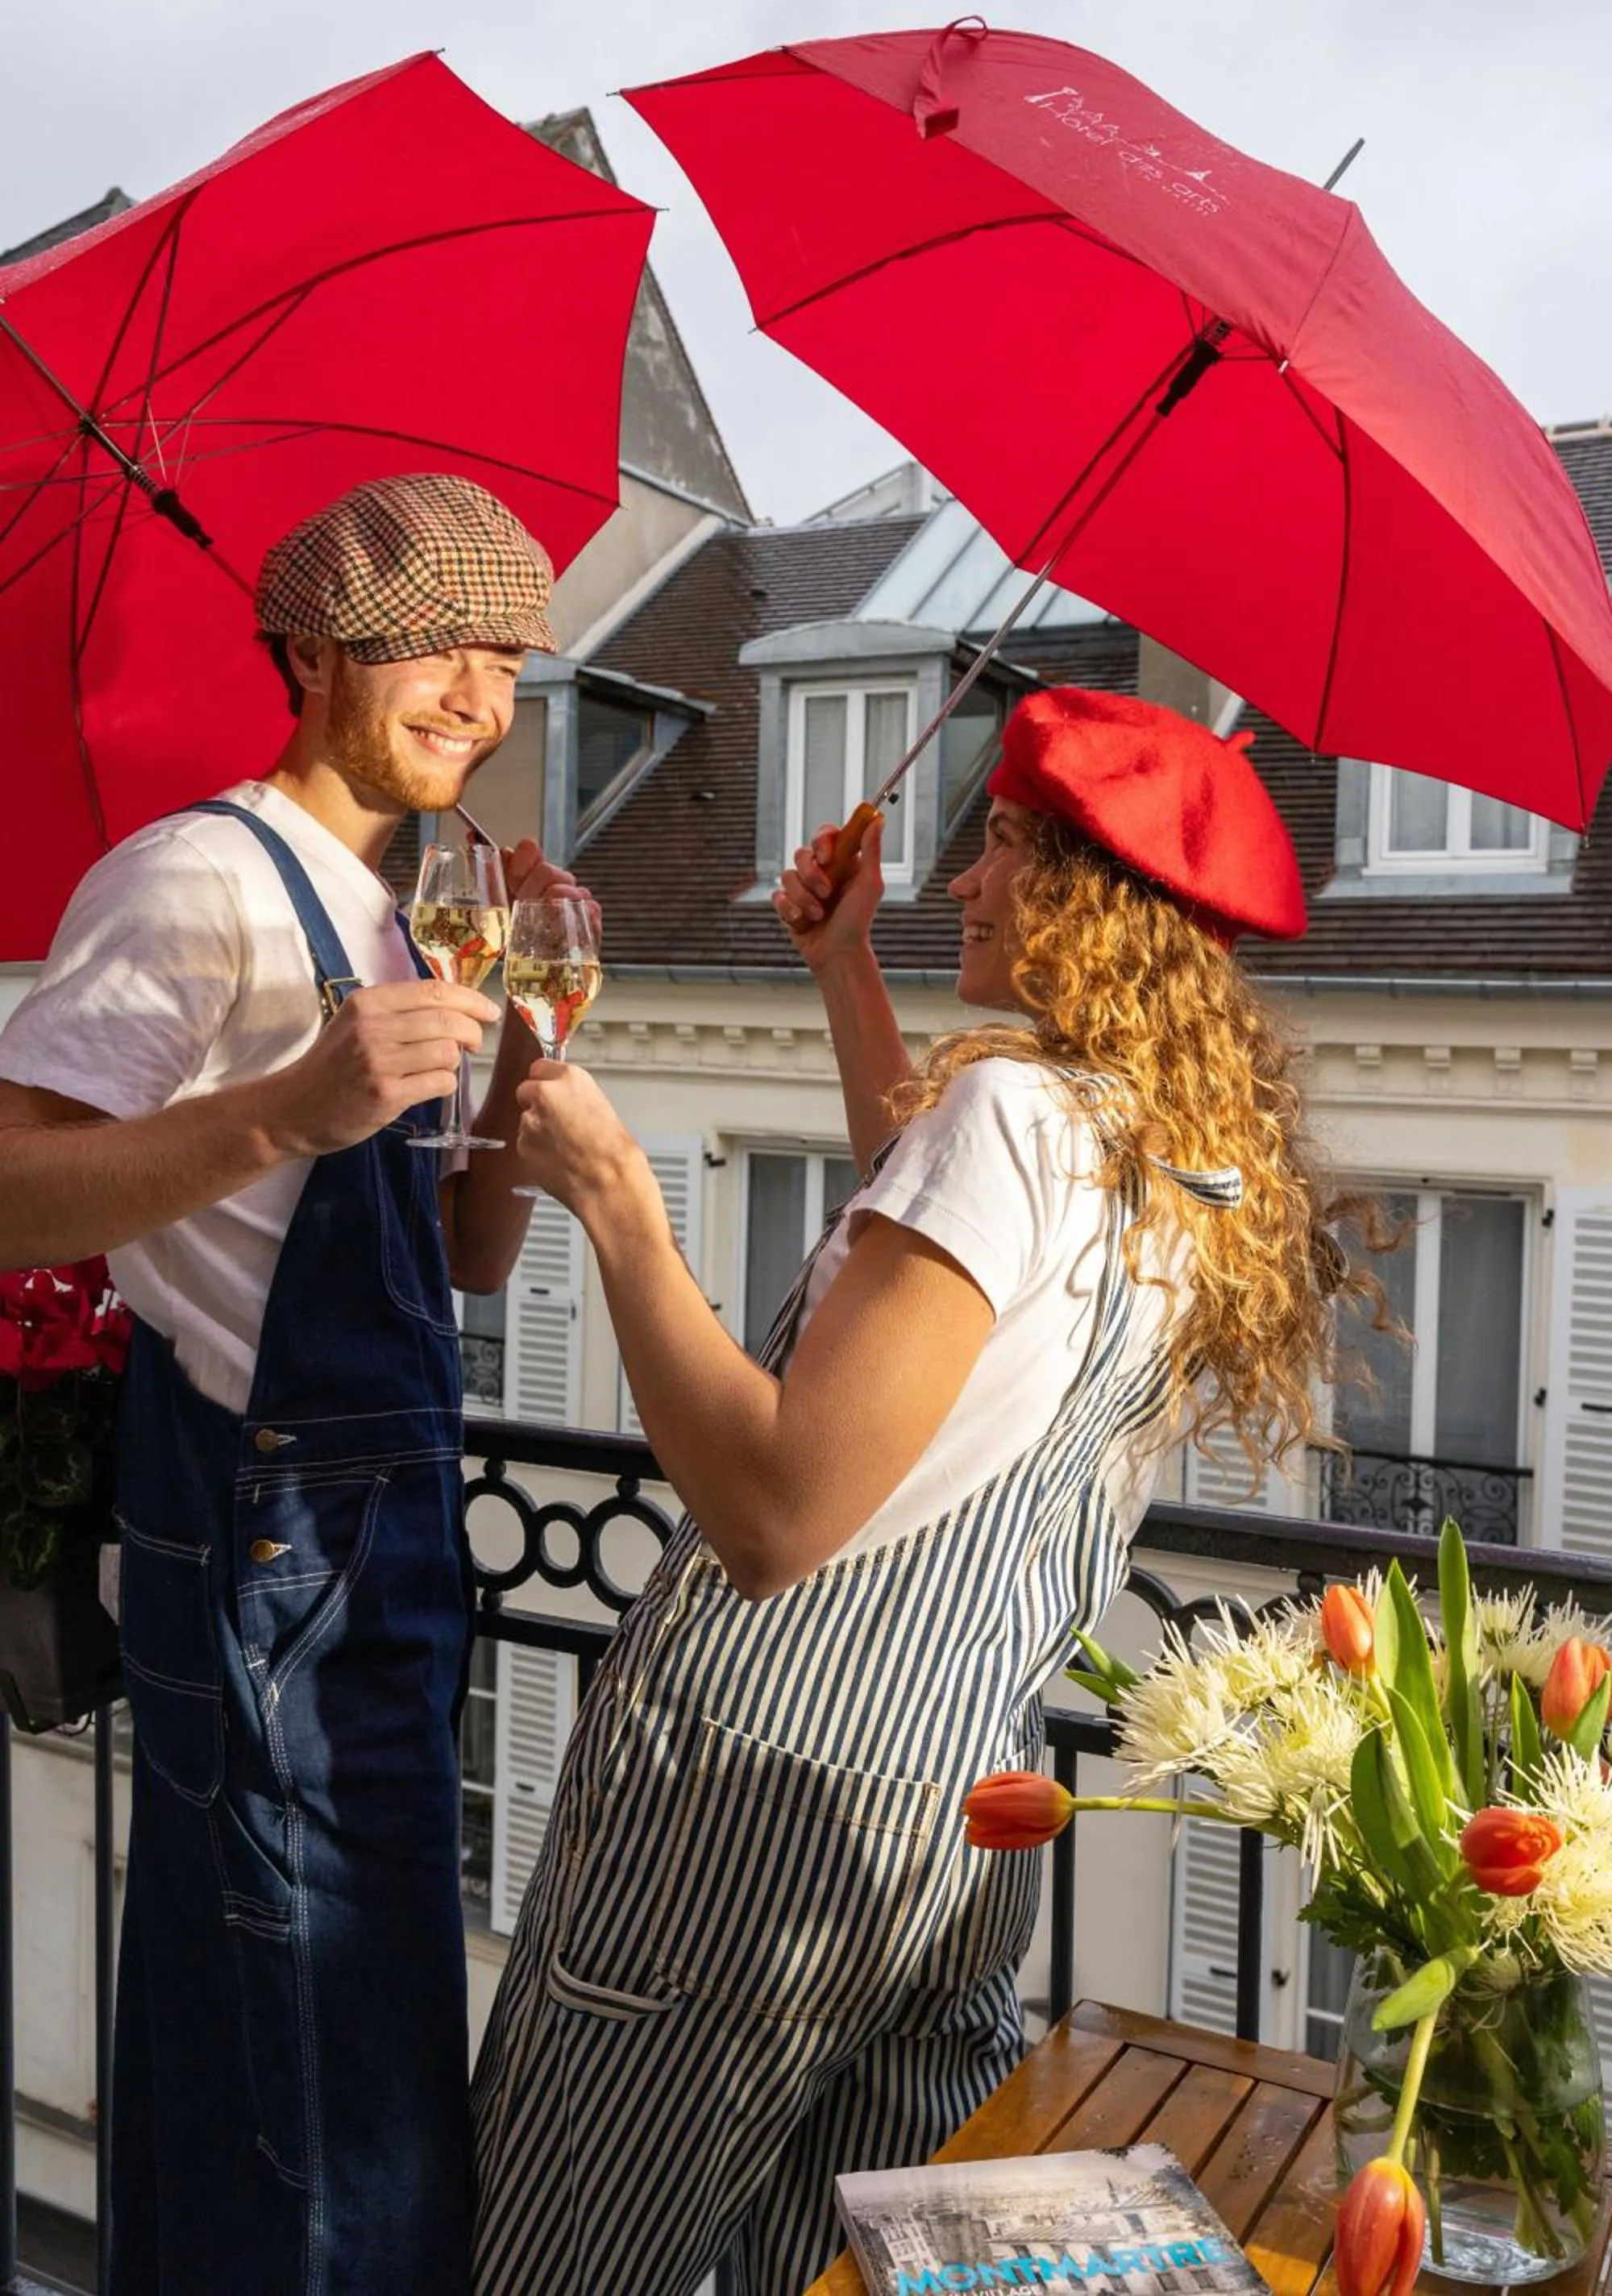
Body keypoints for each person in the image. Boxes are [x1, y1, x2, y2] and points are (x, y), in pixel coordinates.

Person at [470, 684, 1378, 2295]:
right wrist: (841, 965)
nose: (963, 881)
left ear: (1090, 902)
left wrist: (615, 1199)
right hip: (948, 1830)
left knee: (550, 2260)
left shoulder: (1013, 1114)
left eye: (1005, 848)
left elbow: (776, 1515)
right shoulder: (1162, 1151)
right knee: (815, 2272)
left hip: (744, 1820)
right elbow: (941, 1269)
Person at [0, 472, 592, 2296]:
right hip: (254, 1525)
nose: (479, 701)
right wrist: (289, 1106)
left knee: (292, 2017)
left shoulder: (403, 914)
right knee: (314, 2058)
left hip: (372, 1526)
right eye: (440, 650)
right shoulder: (190, 878)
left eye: (506, 663)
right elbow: (13, 1182)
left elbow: (467, 1265)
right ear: (316, 652)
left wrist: (519, 1080)